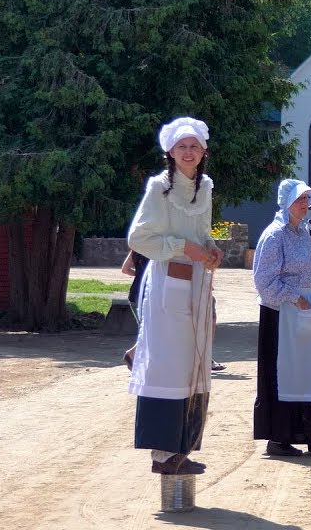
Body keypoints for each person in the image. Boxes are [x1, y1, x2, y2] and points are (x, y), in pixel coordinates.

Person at [126, 116, 224, 476]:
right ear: (170, 150)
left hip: (197, 282)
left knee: (194, 362)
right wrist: (182, 247)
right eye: (182, 146)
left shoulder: (205, 186)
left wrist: (211, 248)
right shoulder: (159, 187)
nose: (188, 152)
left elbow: (201, 231)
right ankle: (161, 453)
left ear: (203, 152)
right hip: (168, 281)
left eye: (194, 146)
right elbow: (138, 239)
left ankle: (182, 445)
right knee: (168, 364)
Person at [252, 179, 311, 457]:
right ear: (286, 202)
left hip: (307, 308)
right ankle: (280, 438)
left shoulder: (303, 230)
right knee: (288, 374)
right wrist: (296, 297)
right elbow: (263, 281)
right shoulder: (275, 235)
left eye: (307, 199)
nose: (304, 205)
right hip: (283, 313)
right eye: (299, 200)